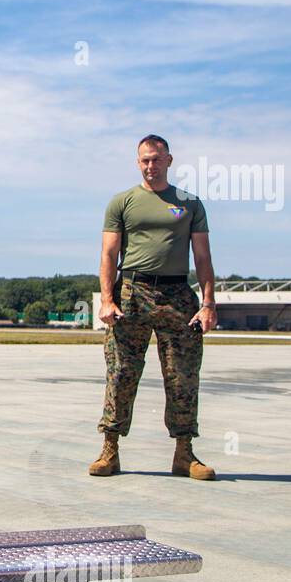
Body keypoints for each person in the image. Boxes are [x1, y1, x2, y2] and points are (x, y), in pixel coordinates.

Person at [92, 134, 217, 480]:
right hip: (132, 292)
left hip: (177, 295)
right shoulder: (122, 202)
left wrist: (207, 303)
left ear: (169, 160)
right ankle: (110, 449)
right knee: (121, 373)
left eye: (157, 159)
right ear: (138, 162)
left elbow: (203, 257)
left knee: (183, 376)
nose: (151, 165)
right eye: (145, 160)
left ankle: (184, 453)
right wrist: (107, 299)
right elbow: (108, 254)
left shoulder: (189, 203)